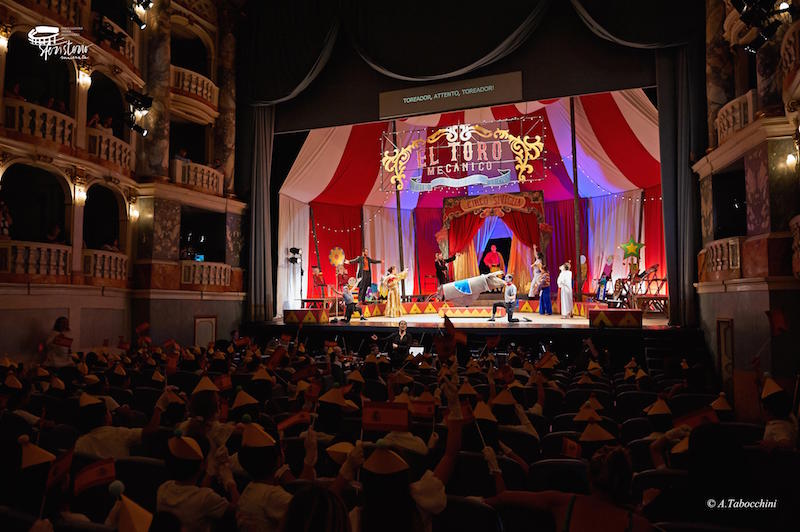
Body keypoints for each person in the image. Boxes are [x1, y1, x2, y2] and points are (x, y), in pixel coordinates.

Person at [485, 445, 652, 532]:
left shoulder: (563, 503)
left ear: (589, 478)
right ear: (628, 482)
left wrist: (495, 468)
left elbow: (503, 497)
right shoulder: (639, 525)